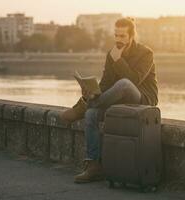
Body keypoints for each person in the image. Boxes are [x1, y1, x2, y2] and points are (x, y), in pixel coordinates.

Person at [61, 17, 158, 183]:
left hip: (142, 99)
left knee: (124, 83)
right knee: (91, 114)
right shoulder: (111, 54)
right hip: (119, 99)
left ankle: (81, 107)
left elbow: (134, 81)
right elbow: (105, 84)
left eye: (123, 36)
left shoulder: (146, 53)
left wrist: (118, 60)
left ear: (131, 36)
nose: (118, 40)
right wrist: (92, 92)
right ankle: (94, 166)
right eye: (116, 35)